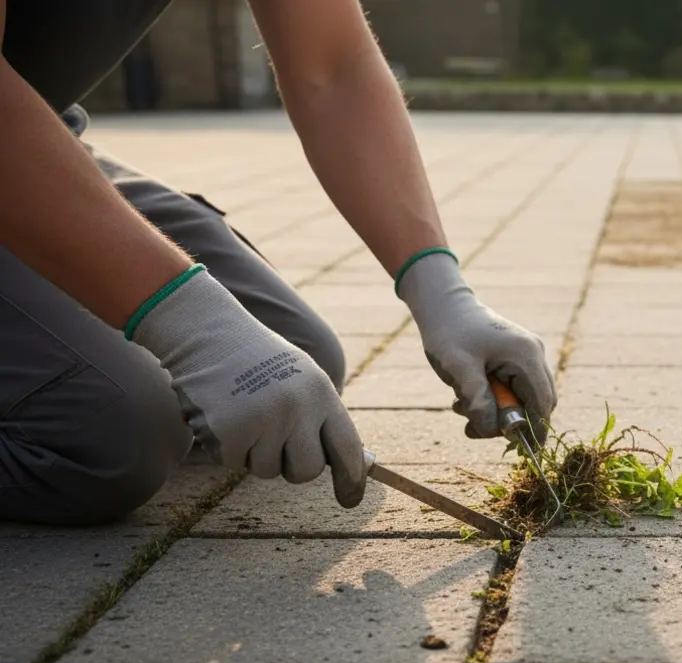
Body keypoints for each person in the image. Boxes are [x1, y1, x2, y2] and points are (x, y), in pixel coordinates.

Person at [0, 0, 557, 525]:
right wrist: (196, 328)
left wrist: (439, 289)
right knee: (111, 438)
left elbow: (334, 66)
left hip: (43, 143)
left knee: (290, 375)